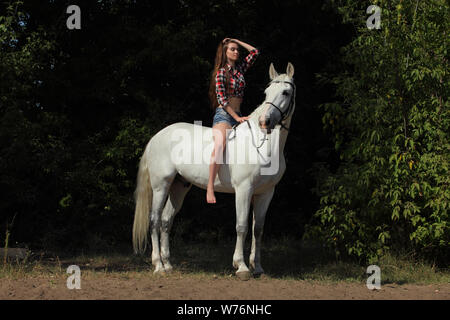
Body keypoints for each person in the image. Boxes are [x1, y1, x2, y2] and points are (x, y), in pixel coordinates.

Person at [207, 38, 260, 203]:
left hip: (238, 114)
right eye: (232, 49)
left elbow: (255, 52)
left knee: (253, 145)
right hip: (224, 115)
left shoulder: (240, 70)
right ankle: (210, 187)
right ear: (225, 52)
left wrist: (236, 39)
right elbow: (222, 100)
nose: (236, 52)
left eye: (237, 49)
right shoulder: (222, 72)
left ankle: (250, 186)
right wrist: (236, 118)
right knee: (220, 144)